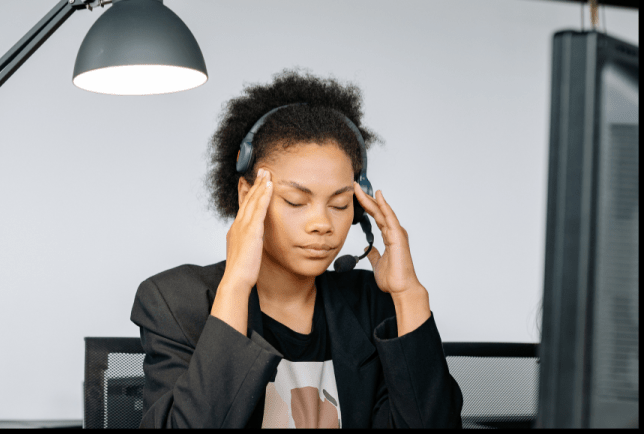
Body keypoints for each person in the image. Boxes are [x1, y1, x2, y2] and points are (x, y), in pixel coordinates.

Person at [130, 69, 463, 428]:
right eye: (295, 201)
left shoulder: (372, 305)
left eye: (339, 204)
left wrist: (409, 294)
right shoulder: (176, 302)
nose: (321, 223)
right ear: (249, 197)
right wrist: (236, 286)